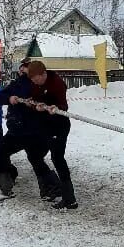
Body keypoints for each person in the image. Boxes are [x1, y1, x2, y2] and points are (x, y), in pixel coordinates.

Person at [0, 60, 61, 201]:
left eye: (26, 68)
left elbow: (49, 100)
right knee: (1, 152)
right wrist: (9, 98)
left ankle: (52, 188)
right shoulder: (17, 84)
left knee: (35, 158)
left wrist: (39, 106)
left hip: (35, 129)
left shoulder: (41, 84)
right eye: (22, 68)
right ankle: (7, 184)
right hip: (17, 129)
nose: (23, 71)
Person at [26, 60, 77, 209]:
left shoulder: (57, 83)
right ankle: (52, 185)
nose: (35, 82)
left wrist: (55, 107)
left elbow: (63, 105)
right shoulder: (35, 83)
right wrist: (33, 104)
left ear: (43, 74)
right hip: (44, 126)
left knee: (57, 158)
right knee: (34, 154)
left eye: (36, 79)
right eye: (33, 80)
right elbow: (35, 98)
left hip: (59, 125)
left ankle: (70, 198)